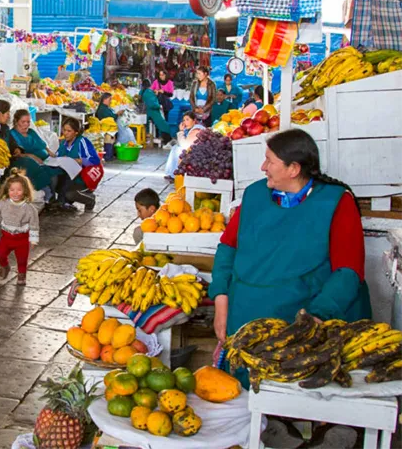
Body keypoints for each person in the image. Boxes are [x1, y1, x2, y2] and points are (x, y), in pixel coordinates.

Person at [210, 130, 371, 393]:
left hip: (300, 325)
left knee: (292, 396)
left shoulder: (336, 202)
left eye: (270, 161)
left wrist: (313, 320)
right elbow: (228, 247)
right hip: (245, 322)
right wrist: (220, 298)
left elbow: (348, 271)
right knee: (243, 395)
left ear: (294, 168)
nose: (263, 167)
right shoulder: (254, 195)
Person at [0, 170, 40, 285]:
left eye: (19, 190)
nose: (15, 193)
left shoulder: (30, 209)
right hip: (6, 237)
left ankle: (22, 276)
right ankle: (5, 267)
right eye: (12, 190)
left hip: (22, 239)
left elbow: (34, 225)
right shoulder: (1, 204)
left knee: (22, 259)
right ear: (7, 190)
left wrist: (33, 239)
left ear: (25, 191)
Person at [8, 109, 64, 203]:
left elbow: (43, 145)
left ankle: (59, 199)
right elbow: (17, 153)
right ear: (16, 122)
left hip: (46, 160)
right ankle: (49, 198)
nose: (26, 124)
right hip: (30, 163)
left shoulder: (31, 132)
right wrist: (31, 156)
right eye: (23, 122)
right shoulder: (13, 134)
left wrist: (50, 152)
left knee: (61, 170)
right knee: (51, 175)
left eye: (28, 122)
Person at [55, 117, 98, 211]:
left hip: (83, 179)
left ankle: (90, 199)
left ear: (76, 132)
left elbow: (95, 160)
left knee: (69, 194)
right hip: (67, 177)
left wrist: (79, 161)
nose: (65, 133)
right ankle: (63, 201)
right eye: (64, 130)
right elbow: (58, 156)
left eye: (69, 131)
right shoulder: (63, 143)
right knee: (52, 179)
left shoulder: (82, 142)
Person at [164, 112, 205, 181]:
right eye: (184, 120)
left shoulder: (196, 130)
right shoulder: (191, 129)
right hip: (195, 151)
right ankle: (172, 174)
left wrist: (181, 131)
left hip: (199, 154)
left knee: (177, 150)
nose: (185, 122)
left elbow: (184, 145)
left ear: (194, 120)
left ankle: (173, 174)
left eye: (187, 120)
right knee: (175, 148)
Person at [138, 78, 172, 143]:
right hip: (152, 112)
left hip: (144, 113)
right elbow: (153, 104)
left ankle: (152, 138)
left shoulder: (141, 92)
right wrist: (159, 106)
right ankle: (167, 140)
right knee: (163, 124)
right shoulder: (149, 92)